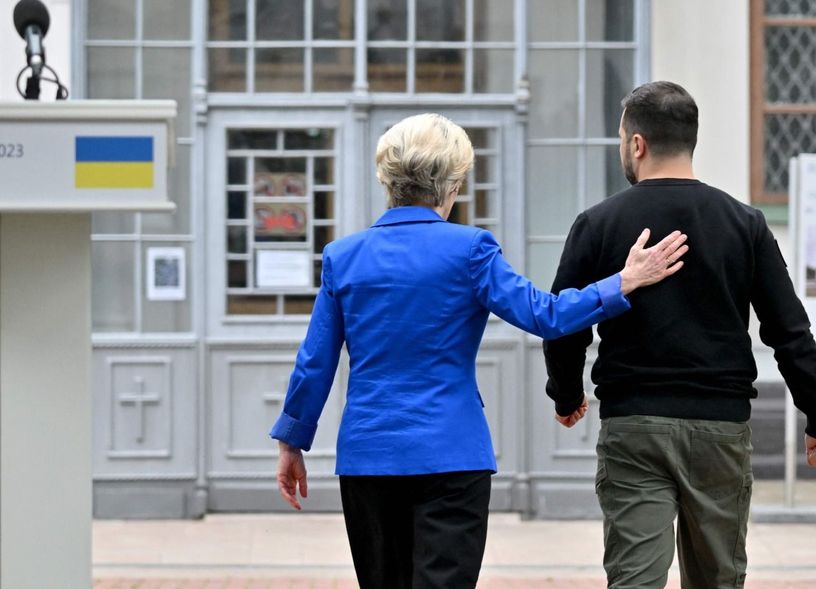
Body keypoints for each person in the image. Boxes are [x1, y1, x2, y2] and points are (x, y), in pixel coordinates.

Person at [269, 113, 689, 589]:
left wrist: (292, 441)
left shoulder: (343, 257)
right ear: (452, 185)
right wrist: (623, 282)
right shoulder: (470, 250)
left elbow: (315, 362)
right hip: (453, 453)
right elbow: (544, 315)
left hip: (370, 456)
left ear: (388, 181)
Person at [543, 82, 816, 589]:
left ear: (636, 144)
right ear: (689, 140)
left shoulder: (597, 223)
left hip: (633, 425)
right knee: (717, 580)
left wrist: (567, 394)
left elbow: (564, 323)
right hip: (719, 427)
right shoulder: (744, 223)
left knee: (634, 580)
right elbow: (789, 329)